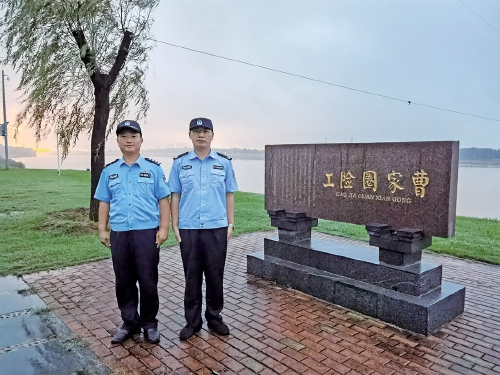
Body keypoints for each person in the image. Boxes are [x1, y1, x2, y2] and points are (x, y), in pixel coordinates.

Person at [94, 120, 171, 345]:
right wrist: (102, 229)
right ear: (117, 140)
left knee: (148, 280)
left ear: (141, 140)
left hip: (147, 233)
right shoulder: (109, 171)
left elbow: (163, 200)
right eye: (124, 136)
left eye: (133, 136)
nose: (129, 140)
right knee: (124, 280)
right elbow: (104, 202)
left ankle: (149, 324)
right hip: (119, 233)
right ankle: (129, 323)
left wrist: (164, 228)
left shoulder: (153, 169)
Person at [168, 117, 238, 341]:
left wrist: (230, 223)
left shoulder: (224, 163)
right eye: (196, 131)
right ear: (189, 135)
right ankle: (193, 322)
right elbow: (175, 196)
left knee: (215, 276)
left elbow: (229, 195)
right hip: (189, 228)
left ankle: (215, 318)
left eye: (205, 131)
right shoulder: (179, 163)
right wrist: (175, 224)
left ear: (212, 135)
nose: (201, 135)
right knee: (192, 276)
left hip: (216, 227)